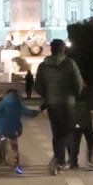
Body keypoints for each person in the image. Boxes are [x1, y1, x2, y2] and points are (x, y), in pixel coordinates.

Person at [35, 38, 83, 175]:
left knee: (57, 133)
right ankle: (60, 161)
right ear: (63, 49)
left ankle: (59, 159)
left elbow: (38, 86)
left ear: (51, 49)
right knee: (66, 132)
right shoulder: (70, 63)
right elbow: (78, 84)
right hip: (67, 103)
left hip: (52, 104)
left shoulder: (43, 66)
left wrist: (48, 95)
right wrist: (74, 95)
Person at [0, 88, 39, 174]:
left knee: (1, 140)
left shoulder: (4, 103)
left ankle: (2, 156)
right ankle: (16, 164)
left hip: (1, 129)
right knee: (14, 145)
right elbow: (29, 113)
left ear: (7, 95)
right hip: (13, 130)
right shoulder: (19, 104)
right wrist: (37, 112)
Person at [69, 82, 93, 169]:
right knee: (91, 138)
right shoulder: (87, 90)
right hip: (85, 121)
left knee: (75, 140)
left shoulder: (70, 89)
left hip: (74, 120)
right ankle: (90, 159)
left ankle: (73, 162)